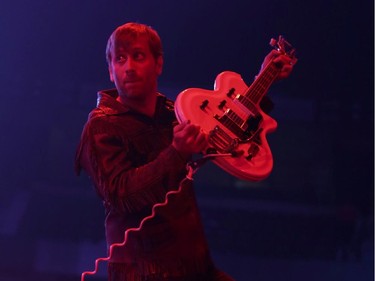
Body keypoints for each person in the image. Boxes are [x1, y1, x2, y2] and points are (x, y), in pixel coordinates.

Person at [75, 22, 294, 281]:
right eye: (120, 59)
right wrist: (176, 153)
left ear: (158, 64)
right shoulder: (101, 125)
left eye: (138, 56)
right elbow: (119, 194)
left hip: (195, 266)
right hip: (142, 273)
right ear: (110, 71)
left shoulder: (172, 112)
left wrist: (264, 79)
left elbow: (229, 132)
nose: (129, 67)